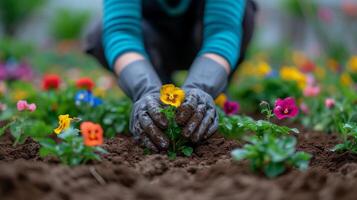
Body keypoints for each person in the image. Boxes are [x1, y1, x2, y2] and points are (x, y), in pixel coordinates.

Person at [85, 0, 257, 152]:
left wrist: (200, 87)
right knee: (101, 33)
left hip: (201, 40)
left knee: (243, 15)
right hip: (152, 45)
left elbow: (222, 30)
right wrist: (145, 89)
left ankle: (209, 100)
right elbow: (121, 31)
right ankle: (160, 103)